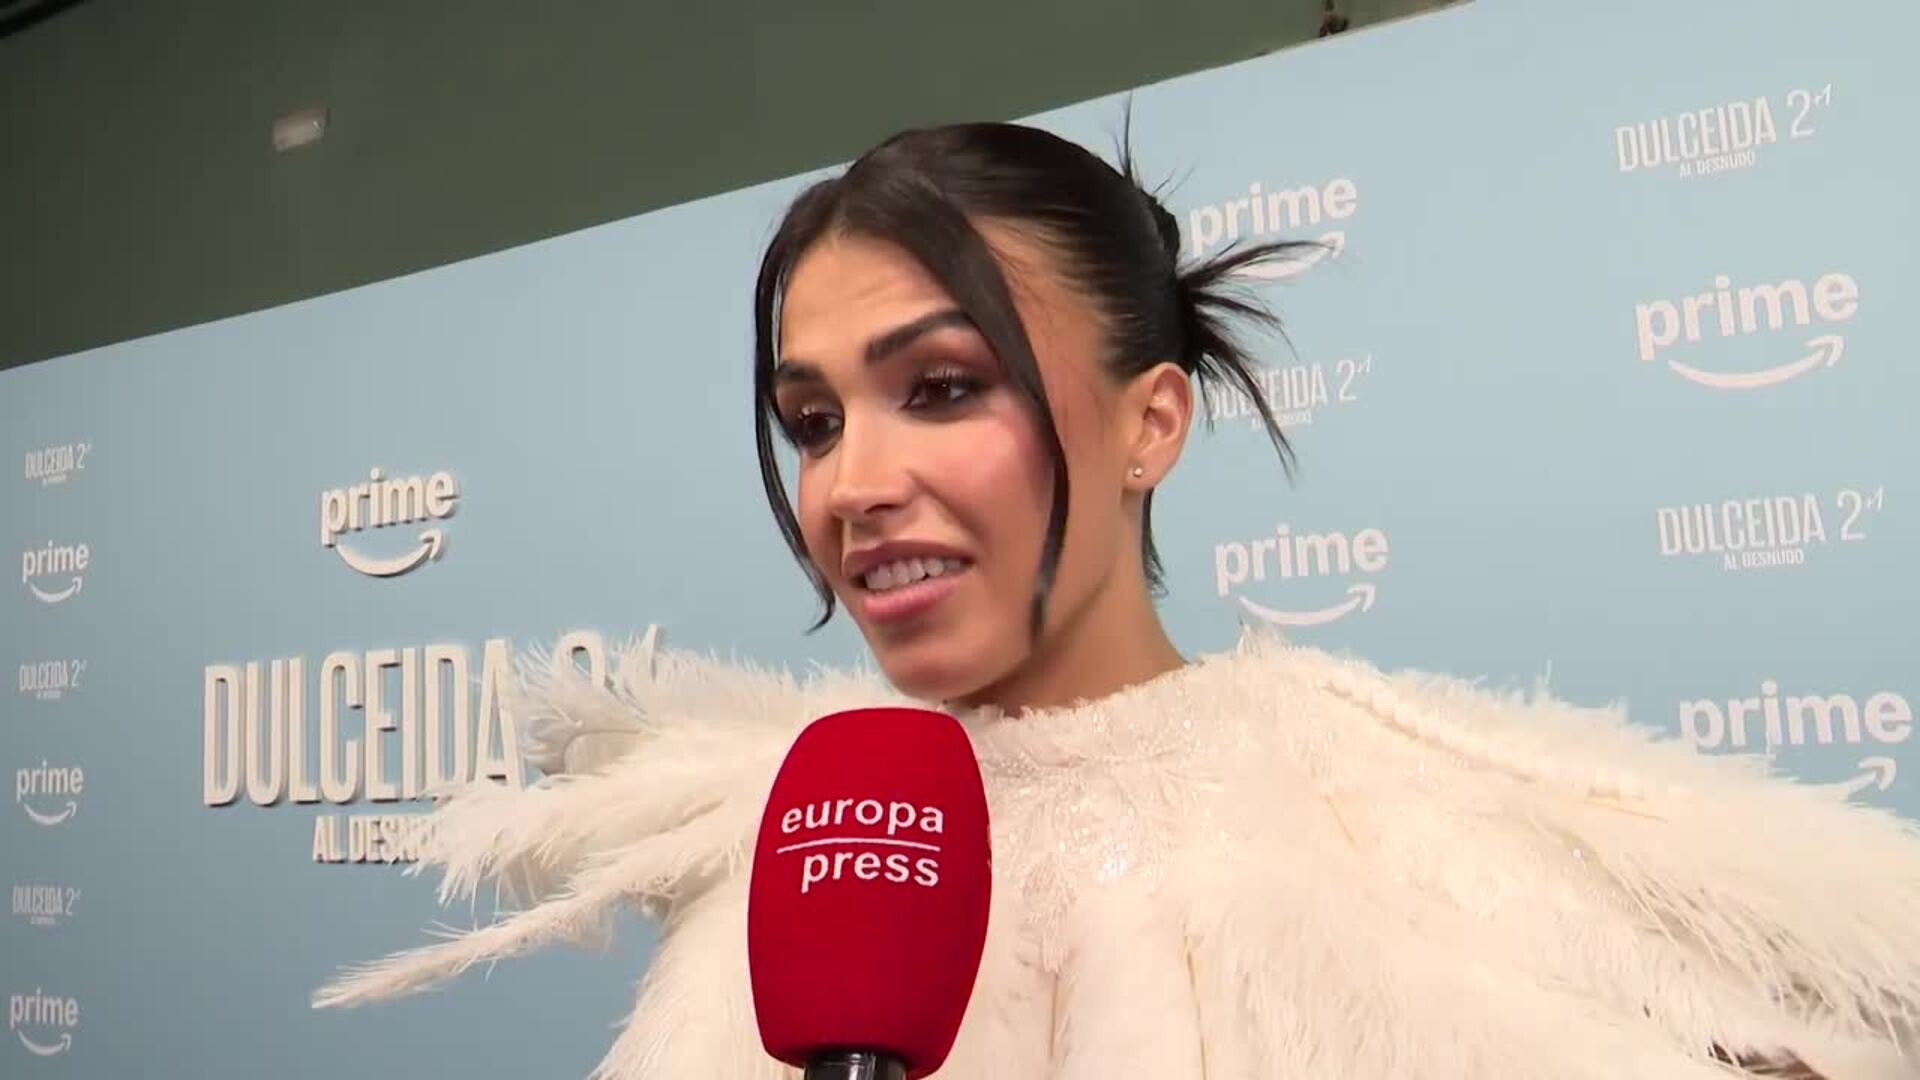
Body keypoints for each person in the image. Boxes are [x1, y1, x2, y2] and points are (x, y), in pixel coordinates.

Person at [315, 120, 1920, 1079]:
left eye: (942, 388)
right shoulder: (796, 852)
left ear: (1152, 423)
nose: (853, 481)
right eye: (811, 419)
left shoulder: (1391, 819)